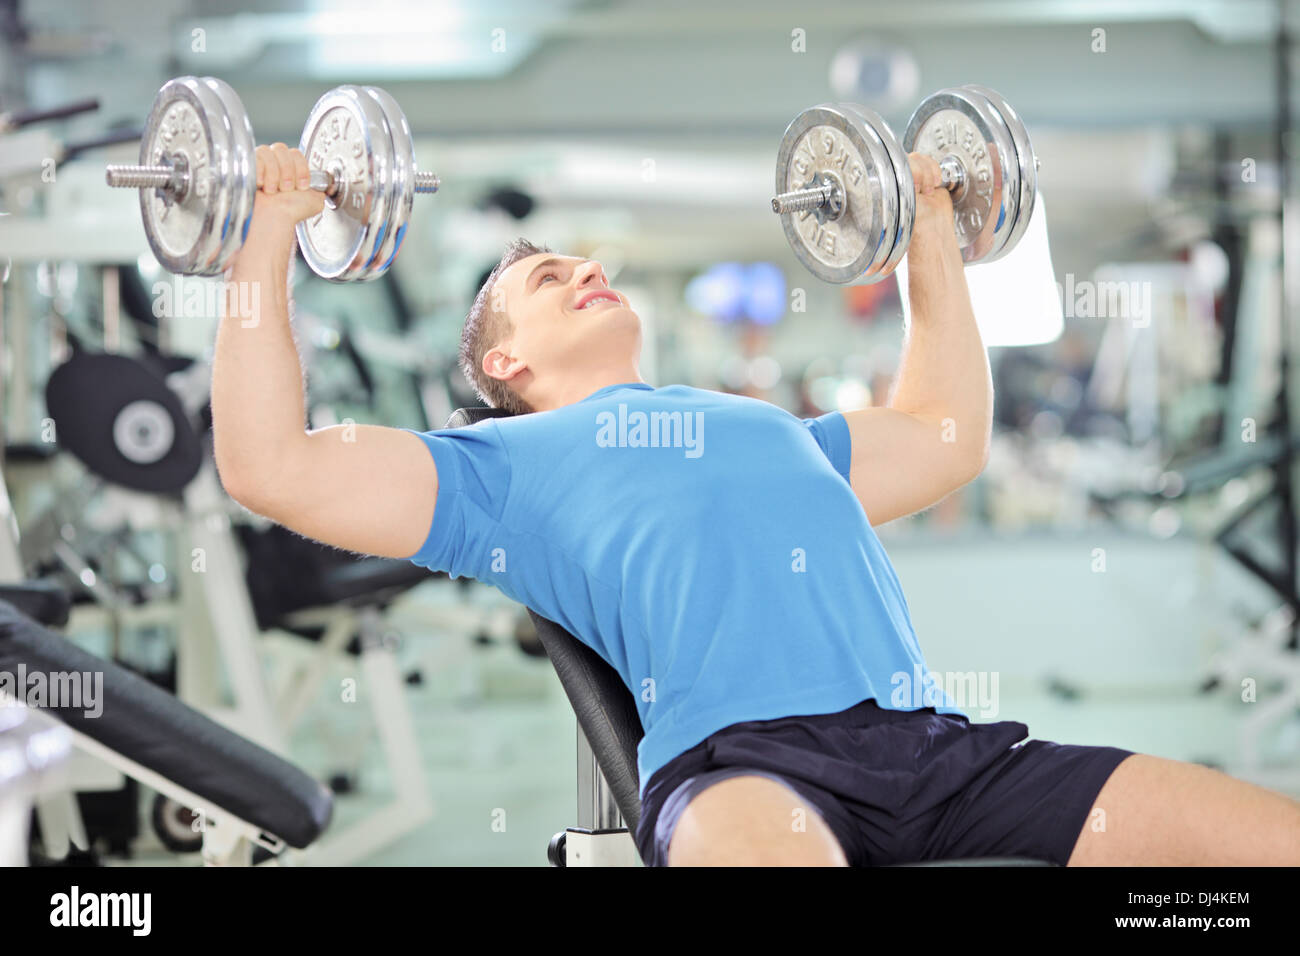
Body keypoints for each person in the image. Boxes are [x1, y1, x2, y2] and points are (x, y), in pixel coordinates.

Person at [214, 142, 1300, 867]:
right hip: (744, 766)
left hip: (942, 753)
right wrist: (264, 234)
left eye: (579, 260)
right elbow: (268, 465)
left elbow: (942, 435)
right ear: (504, 360)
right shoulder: (498, 467)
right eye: (549, 279)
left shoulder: (765, 424)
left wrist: (927, 223)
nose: (584, 267)